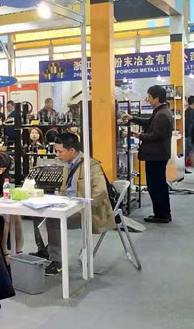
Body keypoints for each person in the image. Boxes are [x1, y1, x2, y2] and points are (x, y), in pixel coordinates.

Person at [31, 133, 114, 275]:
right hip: (66, 205)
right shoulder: (66, 164)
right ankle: (44, 250)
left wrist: (83, 207)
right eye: (56, 151)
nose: (57, 154)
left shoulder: (91, 166)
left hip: (87, 211)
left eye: (60, 151)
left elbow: (100, 192)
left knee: (52, 219)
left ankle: (57, 262)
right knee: (37, 214)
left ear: (72, 150)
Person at [121, 85, 174, 224]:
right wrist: (132, 118)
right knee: (158, 185)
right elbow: (148, 123)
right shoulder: (160, 112)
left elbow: (157, 135)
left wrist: (136, 134)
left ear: (156, 98)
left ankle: (161, 215)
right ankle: (162, 213)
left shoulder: (162, 114)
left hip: (156, 156)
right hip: (157, 155)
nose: (148, 99)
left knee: (156, 186)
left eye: (149, 97)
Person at [185, 95, 194, 170]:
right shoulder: (190, 112)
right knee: (189, 151)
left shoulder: (188, 111)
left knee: (188, 152)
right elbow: (189, 125)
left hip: (189, 135)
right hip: (189, 136)